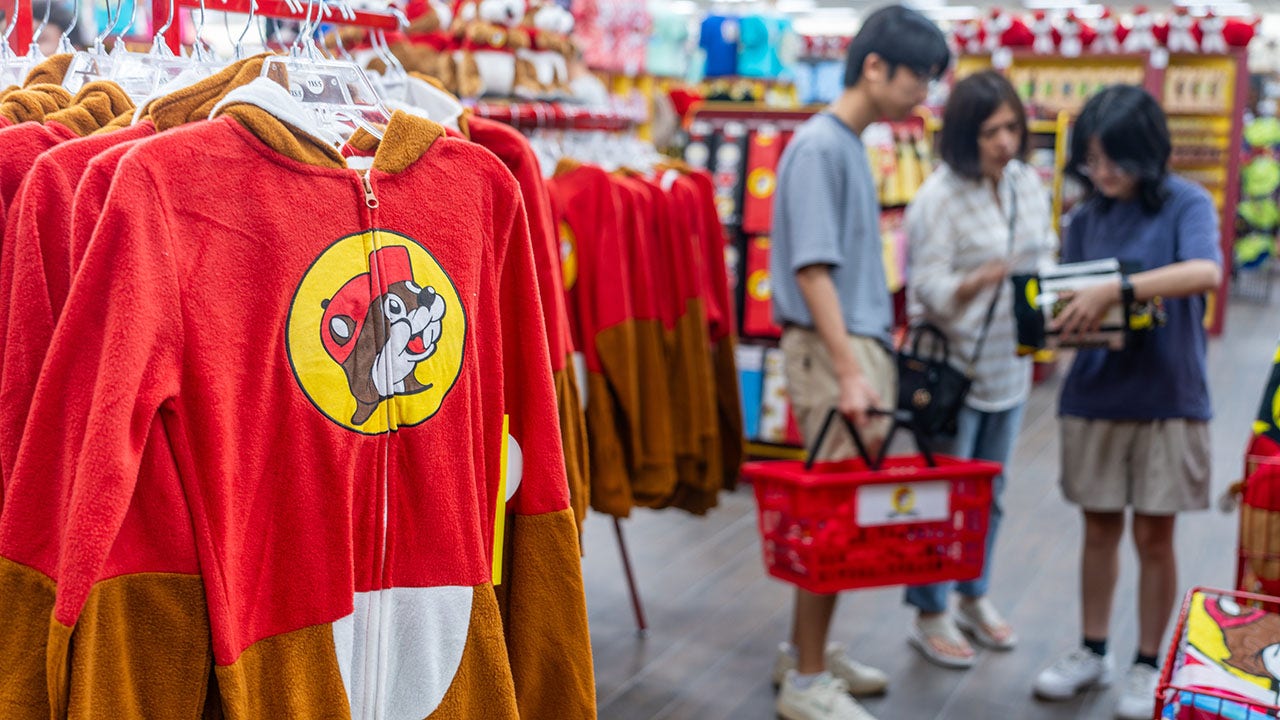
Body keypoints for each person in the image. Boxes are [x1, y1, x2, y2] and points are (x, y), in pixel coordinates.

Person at [768, 6, 950, 720]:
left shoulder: (842, 142)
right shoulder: (821, 147)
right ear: (874, 66)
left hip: (849, 345)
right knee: (835, 514)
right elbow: (813, 271)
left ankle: (805, 654)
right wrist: (849, 371)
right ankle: (808, 679)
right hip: (833, 349)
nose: (923, 93)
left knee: (838, 507)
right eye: (918, 77)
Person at [1030, 85, 1222, 720]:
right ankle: (1092, 651)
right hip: (1096, 393)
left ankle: (1147, 662)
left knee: (1155, 535)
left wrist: (1119, 289)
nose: (1103, 172)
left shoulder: (1187, 202)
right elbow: (1070, 299)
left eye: (1114, 158)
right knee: (1099, 527)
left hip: (1169, 394)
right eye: (1091, 159)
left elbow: (1205, 272)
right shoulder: (1085, 219)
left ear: (1147, 152)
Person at [901, 70, 1057, 668]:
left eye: (1012, 128)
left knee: (991, 493)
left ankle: (973, 593)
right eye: (991, 131)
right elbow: (927, 288)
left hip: (1008, 368)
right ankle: (929, 609)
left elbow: (1044, 254)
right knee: (943, 494)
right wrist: (977, 281)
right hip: (952, 372)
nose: (1005, 142)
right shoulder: (938, 197)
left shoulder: (1024, 184)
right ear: (965, 135)